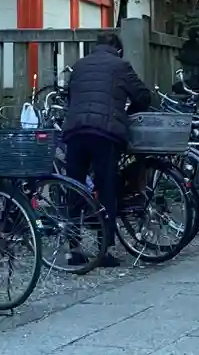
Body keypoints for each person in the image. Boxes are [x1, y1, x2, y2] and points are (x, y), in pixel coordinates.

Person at [62, 32, 152, 266]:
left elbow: (70, 97)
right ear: (118, 49)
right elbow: (143, 96)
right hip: (105, 133)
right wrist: (127, 114)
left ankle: (74, 249)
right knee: (106, 188)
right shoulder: (121, 66)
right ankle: (103, 250)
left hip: (75, 130)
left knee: (74, 187)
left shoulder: (79, 65)